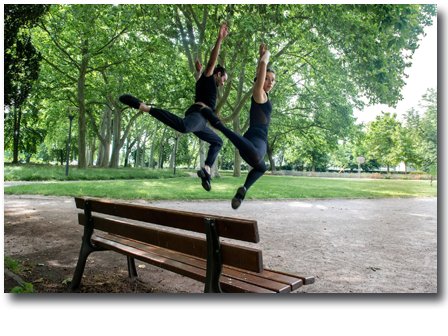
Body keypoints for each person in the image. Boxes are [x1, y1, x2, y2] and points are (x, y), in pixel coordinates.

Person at [119, 22, 229, 192]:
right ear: (218, 73)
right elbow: (211, 63)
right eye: (224, 79)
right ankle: (146, 108)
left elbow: (200, 85)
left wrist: (198, 73)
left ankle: (206, 170)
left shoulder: (203, 81)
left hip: (201, 122)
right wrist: (219, 39)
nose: (223, 83)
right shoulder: (210, 76)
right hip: (199, 115)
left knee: (218, 141)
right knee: (184, 127)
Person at [201, 43, 275, 209]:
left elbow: (260, 72)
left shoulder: (264, 94)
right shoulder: (259, 92)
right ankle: (218, 124)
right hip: (254, 141)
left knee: (261, 167)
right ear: (261, 81)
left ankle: (243, 190)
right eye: (267, 79)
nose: (270, 82)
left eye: (273, 80)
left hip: (251, 143)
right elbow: (262, 70)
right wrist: (266, 55)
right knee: (257, 159)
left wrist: (260, 55)